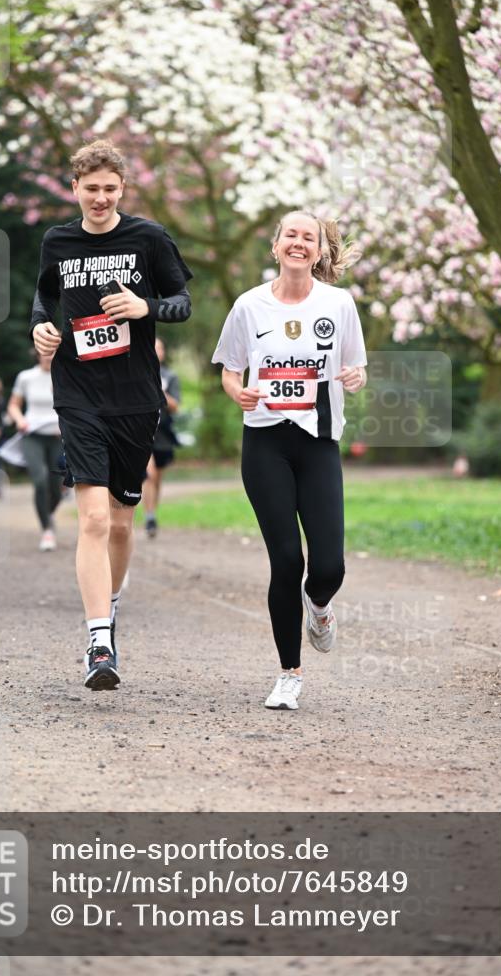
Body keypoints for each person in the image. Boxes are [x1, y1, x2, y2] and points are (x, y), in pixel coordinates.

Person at [30, 138, 192, 692]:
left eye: (109, 189)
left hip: (136, 397)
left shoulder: (147, 238)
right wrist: (40, 328)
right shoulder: (58, 241)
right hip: (77, 393)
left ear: (122, 189)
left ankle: (111, 606)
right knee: (94, 519)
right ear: (74, 189)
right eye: (90, 189)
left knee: (122, 522)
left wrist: (146, 306)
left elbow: (182, 304)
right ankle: (99, 641)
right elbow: (43, 299)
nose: (99, 198)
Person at [212, 210, 367, 711]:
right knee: (286, 559)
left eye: (310, 238)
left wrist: (355, 378)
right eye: (291, 236)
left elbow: (355, 366)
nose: (299, 244)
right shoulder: (249, 305)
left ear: (320, 251)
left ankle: (319, 606)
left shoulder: (339, 303)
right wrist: (239, 393)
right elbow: (230, 371)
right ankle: (289, 674)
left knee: (328, 566)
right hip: (265, 443)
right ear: (276, 246)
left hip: (319, 441)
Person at [7, 351, 63, 552]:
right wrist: (20, 419)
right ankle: (47, 529)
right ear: (37, 355)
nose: (48, 357)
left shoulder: (65, 374)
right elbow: (13, 405)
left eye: (52, 353)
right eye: (44, 354)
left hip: (57, 437)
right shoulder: (26, 377)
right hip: (32, 436)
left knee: (57, 486)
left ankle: (47, 513)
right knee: (40, 480)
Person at [142, 337, 181, 538]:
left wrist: (161, 392)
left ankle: (152, 511)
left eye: (159, 348)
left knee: (157, 477)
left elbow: (175, 407)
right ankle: (149, 516)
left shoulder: (170, 376)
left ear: (163, 353)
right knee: (149, 473)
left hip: (163, 432)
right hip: (141, 430)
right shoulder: (137, 371)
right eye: (153, 347)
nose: (156, 351)